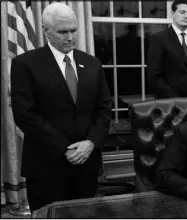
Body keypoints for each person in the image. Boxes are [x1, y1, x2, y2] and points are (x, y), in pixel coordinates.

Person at [10, 3, 112, 212]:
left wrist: (90, 143)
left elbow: (103, 109)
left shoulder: (92, 63)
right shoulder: (25, 64)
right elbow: (25, 115)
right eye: (63, 32)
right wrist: (65, 148)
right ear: (46, 31)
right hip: (47, 167)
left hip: (86, 164)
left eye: (74, 30)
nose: (70, 37)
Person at [147, 0, 187, 98]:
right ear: (173, 14)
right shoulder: (159, 39)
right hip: (170, 105)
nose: (186, 16)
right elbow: (154, 77)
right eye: (182, 12)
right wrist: (177, 101)